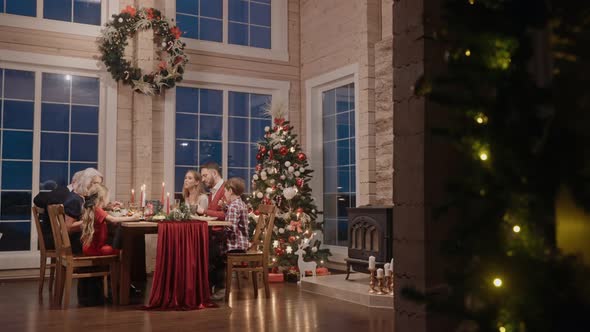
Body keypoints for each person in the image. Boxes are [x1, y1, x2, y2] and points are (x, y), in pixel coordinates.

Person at [210, 177, 250, 301]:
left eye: (226, 191)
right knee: (214, 247)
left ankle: (219, 287)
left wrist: (217, 233)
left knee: (213, 252)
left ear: (231, 191)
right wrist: (224, 207)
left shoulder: (233, 207)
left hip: (235, 244)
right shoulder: (237, 204)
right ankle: (214, 286)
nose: (224, 194)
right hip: (239, 242)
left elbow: (230, 228)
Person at [80, 184, 141, 256]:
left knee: (119, 247)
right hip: (97, 249)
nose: (109, 200)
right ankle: (124, 267)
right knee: (124, 250)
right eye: (108, 198)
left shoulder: (93, 208)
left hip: (89, 248)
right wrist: (133, 218)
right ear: (102, 198)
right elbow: (112, 219)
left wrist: (110, 207)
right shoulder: (97, 210)